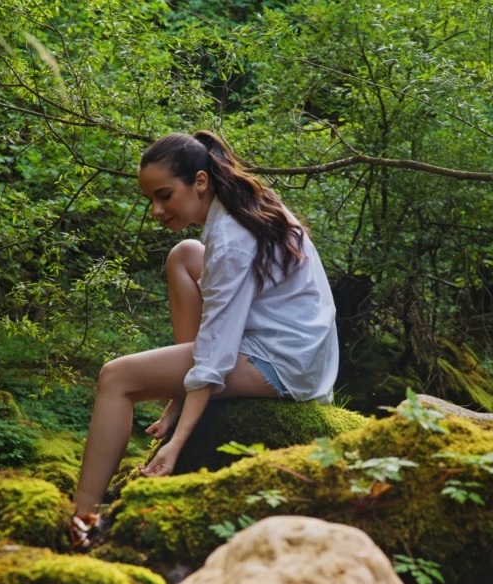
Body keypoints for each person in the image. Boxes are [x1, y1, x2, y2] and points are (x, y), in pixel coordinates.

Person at [72, 130, 339, 525]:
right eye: (151, 200)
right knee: (184, 255)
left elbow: (216, 347)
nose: (157, 210)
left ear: (200, 181)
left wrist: (176, 443)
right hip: (295, 349)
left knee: (116, 378)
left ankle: (81, 516)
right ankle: (185, 392)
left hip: (280, 363)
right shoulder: (243, 206)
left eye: (164, 195)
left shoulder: (232, 238)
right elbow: (217, 332)